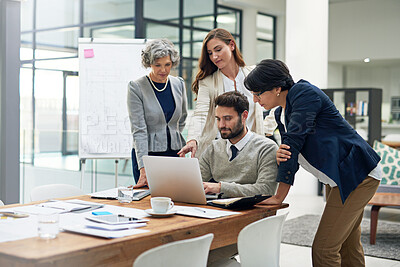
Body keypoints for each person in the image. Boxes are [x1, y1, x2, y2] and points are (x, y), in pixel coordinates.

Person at [244, 59, 382, 267]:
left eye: (258, 93)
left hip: (357, 174)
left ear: (277, 88)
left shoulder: (303, 93)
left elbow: (294, 143)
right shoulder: (282, 113)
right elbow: (290, 151)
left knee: (324, 249)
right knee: (347, 246)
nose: (255, 100)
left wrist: (279, 196)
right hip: (338, 179)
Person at [178, 28, 273, 159]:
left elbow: (277, 100)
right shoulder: (207, 82)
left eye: (218, 49)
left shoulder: (253, 74)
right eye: (210, 53)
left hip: (251, 151)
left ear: (232, 45)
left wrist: (266, 128)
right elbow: (200, 114)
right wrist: (192, 139)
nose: (214, 56)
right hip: (219, 152)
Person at [127, 39, 187, 188]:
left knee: (178, 199)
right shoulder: (136, 87)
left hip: (175, 154)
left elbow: (182, 118)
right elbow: (139, 130)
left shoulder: (178, 83)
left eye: (167, 64)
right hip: (148, 157)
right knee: (149, 202)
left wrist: (173, 137)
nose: (163, 70)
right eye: (157, 65)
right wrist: (143, 168)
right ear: (149, 64)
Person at [200, 91, 278, 198]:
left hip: (253, 211)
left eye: (228, 118)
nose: (221, 125)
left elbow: (266, 190)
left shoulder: (266, 148)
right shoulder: (213, 148)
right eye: (218, 119)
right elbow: (195, 183)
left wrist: (220, 188)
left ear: (244, 116)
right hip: (218, 210)